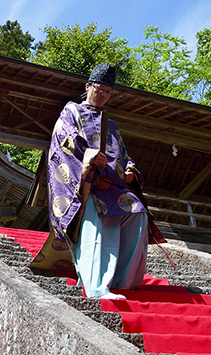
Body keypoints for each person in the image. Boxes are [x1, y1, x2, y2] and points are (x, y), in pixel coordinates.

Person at [46, 63, 149, 299]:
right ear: (88, 87)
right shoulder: (71, 111)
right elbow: (63, 140)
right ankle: (96, 286)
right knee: (99, 224)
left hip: (113, 184)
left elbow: (123, 154)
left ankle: (123, 282)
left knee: (138, 213)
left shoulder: (111, 124)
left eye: (108, 92)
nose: (103, 95)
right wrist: (89, 157)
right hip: (87, 183)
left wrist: (130, 168)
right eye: (99, 89)